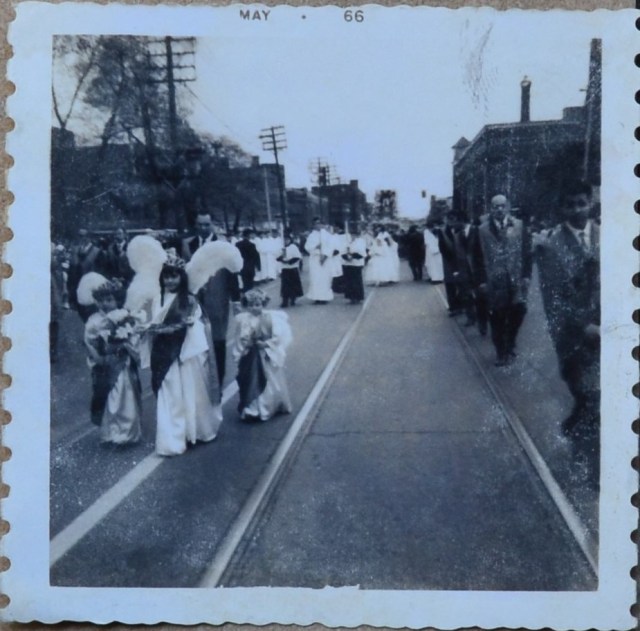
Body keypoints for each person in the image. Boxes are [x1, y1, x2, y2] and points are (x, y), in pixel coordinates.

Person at [536, 181, 600, 450]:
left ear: (591, 203)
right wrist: (584, 325)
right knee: (579, 381)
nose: (577, 210)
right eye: (570, 205)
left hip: (607, 325)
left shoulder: (608, 235)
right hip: (571, 330)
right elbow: (554, 298)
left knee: (599, 387)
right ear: (562, 208)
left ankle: (585, 426)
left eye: (581, 203)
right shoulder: (550, 245)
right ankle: (582, 425)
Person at [146, 255, 223, 456]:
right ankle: (172, 439)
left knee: (188, 392)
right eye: (167, 277)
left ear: (182, 277)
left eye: (174, 276)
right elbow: (156, 324)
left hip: (184, 352)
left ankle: (192, 431)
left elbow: (196, 324)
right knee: (170, 394)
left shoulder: (189, 300)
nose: (170, 281)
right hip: (164, 352)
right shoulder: (157, 299)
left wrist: (186, 327)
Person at [471, 194, 532, 366]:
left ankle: (510, 343)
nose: (499, 209)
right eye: (495, 206)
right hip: (494, 282)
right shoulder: (482, 230)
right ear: (490, 209)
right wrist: (481, 281)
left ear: (508, 207)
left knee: (518, 311)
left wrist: (526, 275)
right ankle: (501, 352)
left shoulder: (519, 225)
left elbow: (526, 252)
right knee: (497, 316)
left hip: (516, 279)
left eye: (502, 206)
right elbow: (476, 257)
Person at [182, 210, 242, 385]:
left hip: (218, 298)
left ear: (212, 225)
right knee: (196, 342)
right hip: (194, 300)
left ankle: (218, 383)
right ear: (195, 225)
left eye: (207, 224)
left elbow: (232, 272)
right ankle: (201, 383)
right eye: (200, 224)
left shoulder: (223, 245)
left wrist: (236, 300)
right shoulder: (188, 245)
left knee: (217, 341)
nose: (203, 228)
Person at [84, 279, 142, 445]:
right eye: (101, 300)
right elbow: (88, 341)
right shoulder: (94, 320)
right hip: (105, 362)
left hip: (122, 362)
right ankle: (110, 433)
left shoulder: (124, 316)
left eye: (109, 300)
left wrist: (125, 344)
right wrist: (97, 357)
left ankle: (127, 432)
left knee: (124, 394)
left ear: (117, 299)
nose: (105, 304)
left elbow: (134, 336)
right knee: (108, 397)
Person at [233, 288, 293, 422]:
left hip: (265, 354)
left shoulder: (270, 318)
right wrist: (245, 346)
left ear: (263, 304)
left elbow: (277, 337)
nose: (254, 308)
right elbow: (240, 338)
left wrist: (266, 344)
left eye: (257, 305)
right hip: (250, 355)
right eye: (251, 305)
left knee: (267, 379)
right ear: (247, 306)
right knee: (249, 380)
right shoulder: (244, 320)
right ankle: (251, 408)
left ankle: (265, 406)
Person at [305, 218, 334, 304]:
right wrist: (315, 246)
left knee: (325, 278)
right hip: (315, 259)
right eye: (316, 224)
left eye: (319, 223)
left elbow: (331, 246)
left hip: (325, 259)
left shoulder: (327, 235)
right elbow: (307, 247)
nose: (318, 225)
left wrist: (325, 256)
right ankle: (316, 297)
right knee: (315, 278)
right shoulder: (311, 235)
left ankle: (324, 297)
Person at [341, 224, 367, 304]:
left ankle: (357, 297)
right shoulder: (347, 242)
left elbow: (362, 253)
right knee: (349, 281)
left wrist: (352, 256)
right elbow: (342, 251)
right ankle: (351, 297)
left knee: (356, 281)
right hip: (348, 264)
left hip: (356, 264)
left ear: (357, 235)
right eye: (351, 234)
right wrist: (346, 256)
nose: (353, 236)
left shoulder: (361, 241)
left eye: (354, 234)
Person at [277, 233, 304, 307]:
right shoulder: (281, 247)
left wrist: (289, 262)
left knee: (294, 285)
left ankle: (293, 299)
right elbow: (277, 257)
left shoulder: (293, 247)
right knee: (285, 286)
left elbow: (298, 257)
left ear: (290, 240)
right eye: (284, 240)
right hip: (285, 269)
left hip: (292, 269)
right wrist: (281, 258)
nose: (285, 241)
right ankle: (285, 301)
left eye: (287, 240)